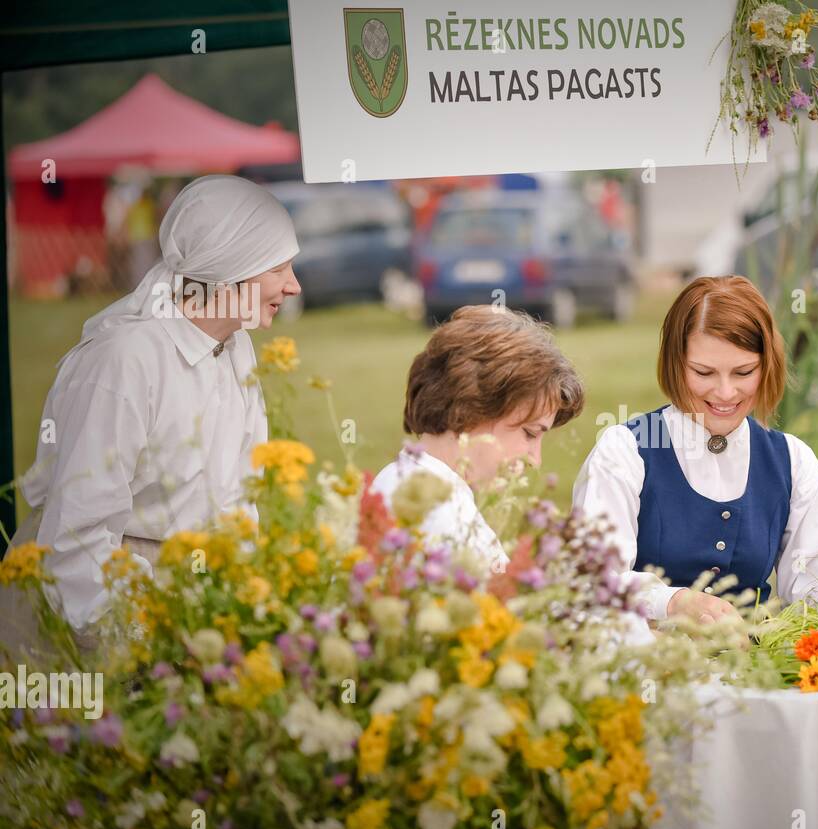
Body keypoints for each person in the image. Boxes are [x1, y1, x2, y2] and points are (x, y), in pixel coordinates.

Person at [2, 175, 300, 656]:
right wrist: (147, 641)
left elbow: (239, 501)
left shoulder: (235, 349)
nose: (293, 286)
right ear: (230, 268)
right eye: (279, 269)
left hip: (189, 613)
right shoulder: (125, 361)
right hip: (91, 626)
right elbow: (76, 539)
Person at [572, 275, 818, 630]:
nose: (725, 392)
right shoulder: (625, 450)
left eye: (743, 372)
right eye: (704, 372)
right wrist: (671, 601)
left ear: (767, 365)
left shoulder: (791, 459)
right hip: (648, 673)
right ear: (675, 364)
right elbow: (593, 580)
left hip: (756, 675)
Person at [370, 305, 584, 576]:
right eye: (529, 433)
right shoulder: (437, 514)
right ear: (473, 407)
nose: (535, 459)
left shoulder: (417, 483)